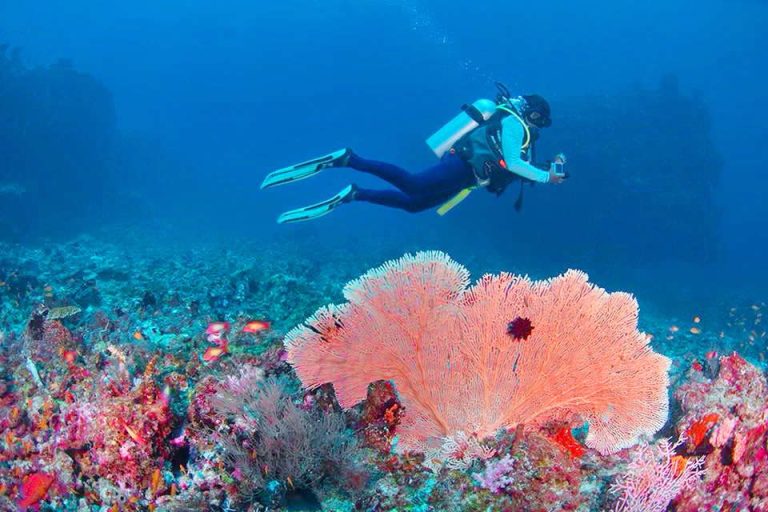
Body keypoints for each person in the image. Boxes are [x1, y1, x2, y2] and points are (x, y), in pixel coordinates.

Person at [261, 83, 567, 224]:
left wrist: (547, 168)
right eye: (538, 118)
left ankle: (354, 194)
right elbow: (512, 162)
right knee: (413, 186)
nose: (537, 124)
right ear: (528, 110)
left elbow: (511, 164)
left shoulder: (516, 129)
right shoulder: (513, 123)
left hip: (467, 177)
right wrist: (545, 176)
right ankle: (349, 159)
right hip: (462, 165)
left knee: (413, 205)